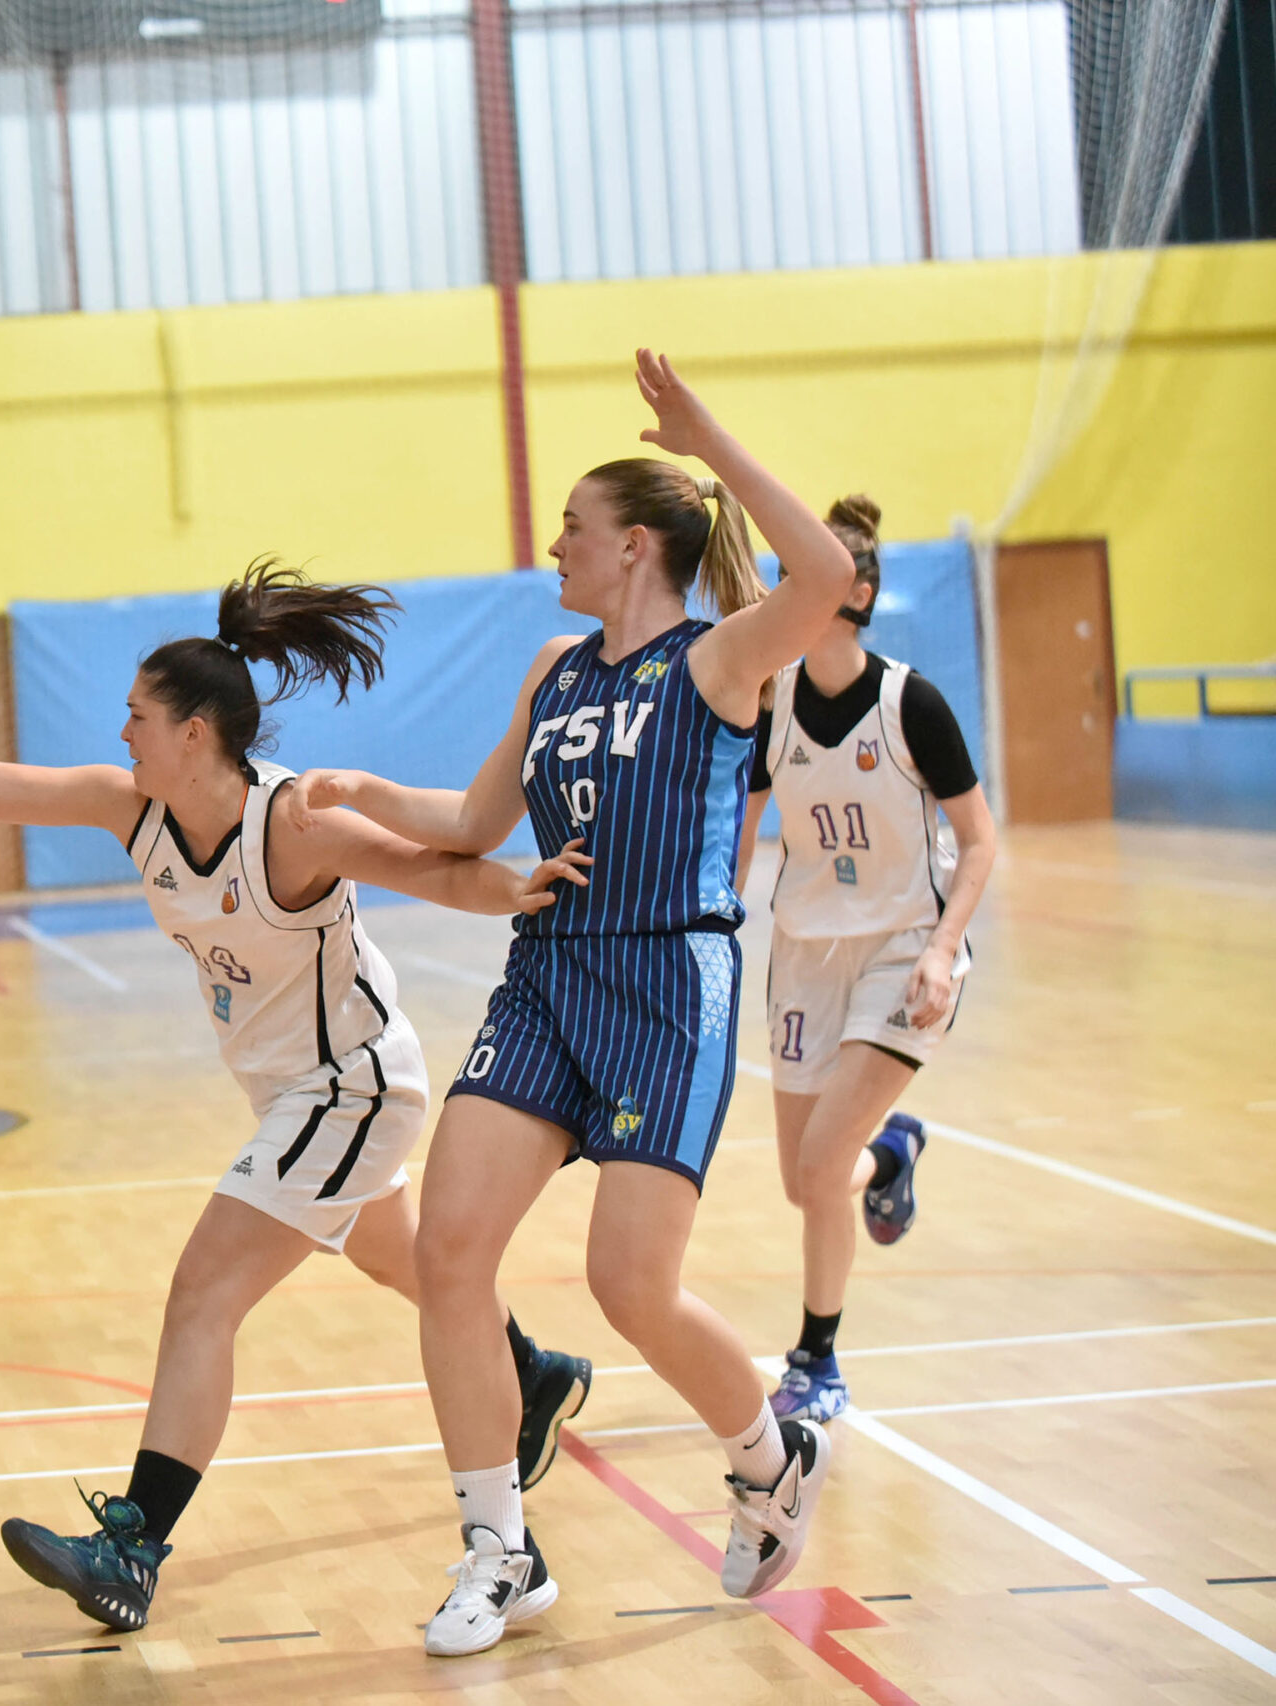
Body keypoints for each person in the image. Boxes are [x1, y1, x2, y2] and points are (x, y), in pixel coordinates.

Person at [0, 561, 598, 1636]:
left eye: (139, 716)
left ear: (195, 733)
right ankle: (530, 1372)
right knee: (409, 1264)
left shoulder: (291, 822)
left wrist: (517, 886)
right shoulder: (131, 807)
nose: (123, 731)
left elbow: (430, 868)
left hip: (353, 1085)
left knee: (203, 1292)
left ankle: (133, 1547)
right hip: (286, 1089)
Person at [293, 351, 858, 1655]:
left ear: (635, 546)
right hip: (548, 975)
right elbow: (474, 819)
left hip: (666, 984)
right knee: (449, 1252)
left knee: (628, 1283)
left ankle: (768, 1457)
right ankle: (497, 1548)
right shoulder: (556, 667)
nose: (554, 543)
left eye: (573, 526)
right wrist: (363, 790)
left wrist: (708, 438)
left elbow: (824, 574)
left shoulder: (717, 659)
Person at [733, 495, 996, 1421]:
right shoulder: (772, 704)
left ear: (855, 595)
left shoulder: (910, 703)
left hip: (901, 949)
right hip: (804, 957)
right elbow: (743, 831)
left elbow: (980, 839)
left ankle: (817, 1362)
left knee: (817, 1169)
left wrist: (943, 949)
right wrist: (708, 916)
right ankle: (889, 1159)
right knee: (803, 1180)